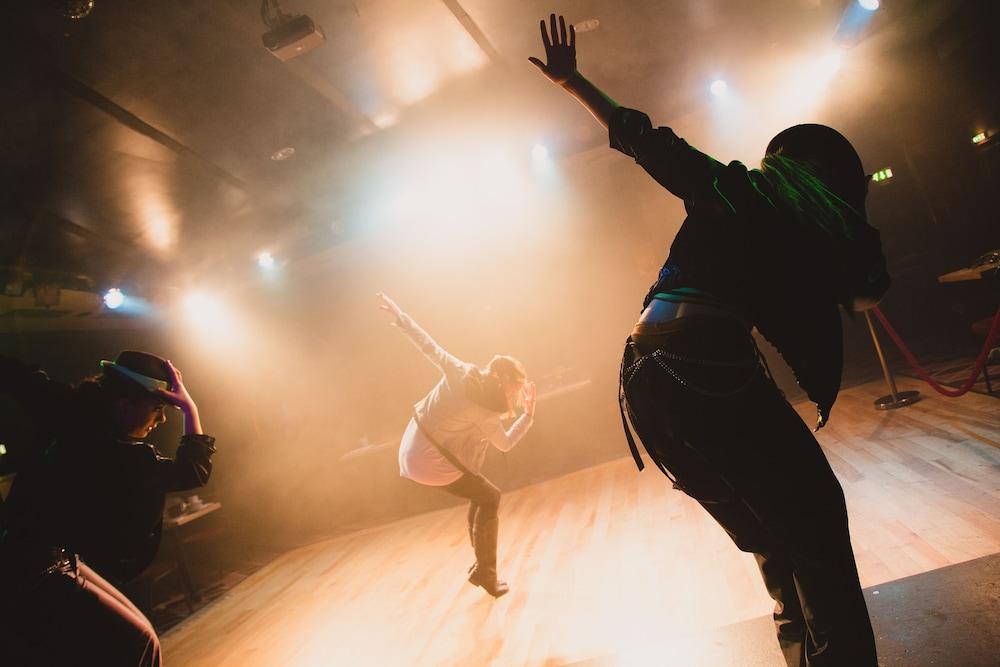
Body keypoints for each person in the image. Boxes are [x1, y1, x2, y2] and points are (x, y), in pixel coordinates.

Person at [531, 14, 889, 666]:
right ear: (831, 177)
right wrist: (850, 225)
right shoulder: (814, 228)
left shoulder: (733, 185)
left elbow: (644, 139)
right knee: (814, 516)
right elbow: (869, 290)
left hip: (645, 372)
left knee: (774, 531)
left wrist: (573, 80)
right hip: (706, 362)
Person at [0, 350, 217, 666]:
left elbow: (17, 373)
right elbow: (193, 469)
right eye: (157, 408)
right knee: (141, 643)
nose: (162, 419)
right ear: (124, 406)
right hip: (38, 570)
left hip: (39, 558)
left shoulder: (66, 408)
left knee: (136, 641)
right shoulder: (122, 456)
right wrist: (189, 407)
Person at [377, 292, 536, 598]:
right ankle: (486, 574)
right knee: (489, 496)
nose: (516, 395)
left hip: (412, 445)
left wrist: (400, 318)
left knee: (480, 494)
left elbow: (428, 345)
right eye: (515, 388)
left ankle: (482, 569)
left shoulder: (461, 371)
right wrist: (528, 416)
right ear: (502, 381)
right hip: (431, 460)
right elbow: (504, 444)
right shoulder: (488, 411)